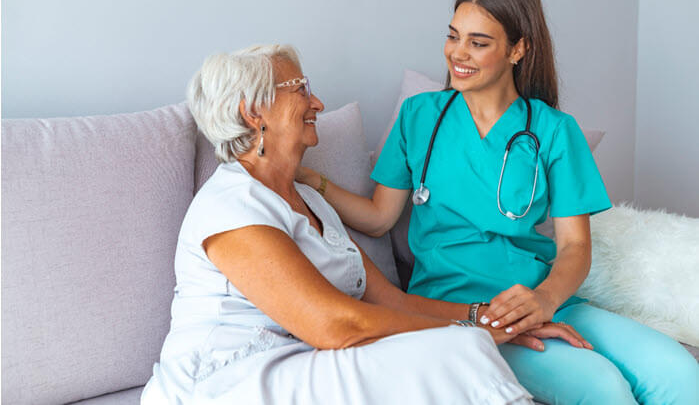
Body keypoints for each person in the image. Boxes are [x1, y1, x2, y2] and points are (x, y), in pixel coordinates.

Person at [297, 0, 698, 404]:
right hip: (458, 309)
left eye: (478, 42)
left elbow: (575, 247)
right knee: (601, 388)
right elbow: (378, 218)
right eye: (453, 37)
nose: (458, 54)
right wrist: (309, 181)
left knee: (680, 373)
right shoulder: (420, 116)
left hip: (540, 296)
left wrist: (544, 300)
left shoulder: (554, 130)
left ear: (518, 49)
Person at [140, 44, 587, 404]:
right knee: (462, 349)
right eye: (300, 88)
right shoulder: (231, 205)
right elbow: (334, 326)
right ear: (254, 112)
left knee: (462, 348)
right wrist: (476, 331)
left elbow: (392, 300)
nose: (317, 102)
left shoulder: (310, 200)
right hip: (227, 384)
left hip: (304, 363)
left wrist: (490, 319)